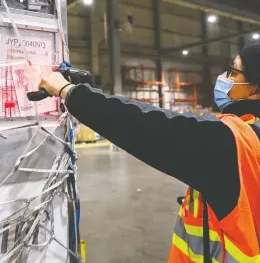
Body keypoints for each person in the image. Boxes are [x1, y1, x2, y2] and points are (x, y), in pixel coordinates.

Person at [39, 43, 260, 263]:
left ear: (255, 88)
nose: (224, 77)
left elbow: (151, 127)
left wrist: (69, 93)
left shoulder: (236, 141)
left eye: (234, 71)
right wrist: (92, 94)